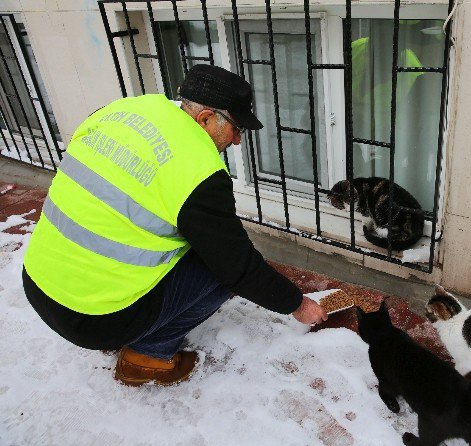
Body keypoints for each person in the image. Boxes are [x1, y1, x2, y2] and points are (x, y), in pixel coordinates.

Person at [22, 64, 327, 387]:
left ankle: (131, 324)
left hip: (38, 281)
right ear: (205, 118)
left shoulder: (121, 111)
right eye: (236, 128)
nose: (237, 141)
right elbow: (237, 268)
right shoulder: (197, 169)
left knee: (201, 245)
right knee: (219, 269)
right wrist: (298, 304)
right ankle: (148, 356)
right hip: (93, 319)